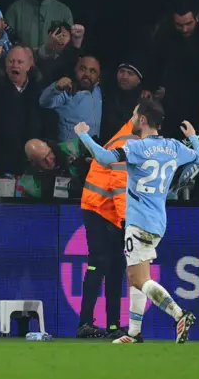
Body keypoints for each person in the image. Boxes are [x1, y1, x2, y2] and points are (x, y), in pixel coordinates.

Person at [73, 98, 199, 344]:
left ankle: (179, 315)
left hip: (138, 222)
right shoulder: (175, 147)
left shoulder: (135, 147)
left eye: (135, 115)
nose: (133, 120)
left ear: (143, 120)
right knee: (135, 273)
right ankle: (134, 332)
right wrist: (195, 137)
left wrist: (84, 136)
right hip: (158, 223)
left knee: (138, 279)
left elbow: (104, 158)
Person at [75, 116, 138, 339]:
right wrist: (125, 221)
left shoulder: (130, 139)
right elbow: (119, 186)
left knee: (116, 265)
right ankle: (85, 323)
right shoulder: (126, 143)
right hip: (99, 209)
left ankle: (113, 326)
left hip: (107, 210)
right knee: (99, 262)